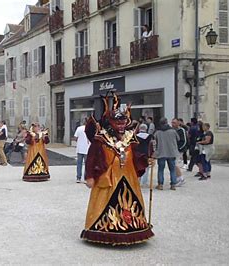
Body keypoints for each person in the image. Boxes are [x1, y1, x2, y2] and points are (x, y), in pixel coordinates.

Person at [81, 93, 153, 245]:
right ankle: (102, 230)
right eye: (117, 122)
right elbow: (92, 157)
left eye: (123, 122)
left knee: (131, 201)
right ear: (110, 122)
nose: (121, 125)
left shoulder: (130, 137)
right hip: (107, 178)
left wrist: (146, 159)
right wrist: (90, 176)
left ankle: (132, 227)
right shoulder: (101, 138)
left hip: (129, 178)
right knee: (104, 203)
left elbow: (137, 154)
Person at [154, 117, 180, 190]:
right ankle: (173, 184)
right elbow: (178, 139)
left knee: (160, 169)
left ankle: (160, 184)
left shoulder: (157, 132)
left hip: (161, 152)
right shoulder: (173, 131)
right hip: (171, 152)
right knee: (172, 169)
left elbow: (154, 140)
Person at [73, 119, 90, 183]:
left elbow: (75, 138)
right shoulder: (90, 129)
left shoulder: (79, 128)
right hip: (87, 149)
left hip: (79, 148)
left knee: (79, 164)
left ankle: (78, 178)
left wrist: (79, 141)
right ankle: (86, 178)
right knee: (87, 164)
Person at [172, 118, 187, 186]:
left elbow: (184, 141)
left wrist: (179, 148)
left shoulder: (181, 130)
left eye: (174, 123)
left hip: (179, 150)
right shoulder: (172, 130)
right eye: (172, 122)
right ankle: (177, 177)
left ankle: (181, 178)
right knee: (173, 164)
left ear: (178, 123)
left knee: (175, 164)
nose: (173, 124)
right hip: (173, 149)